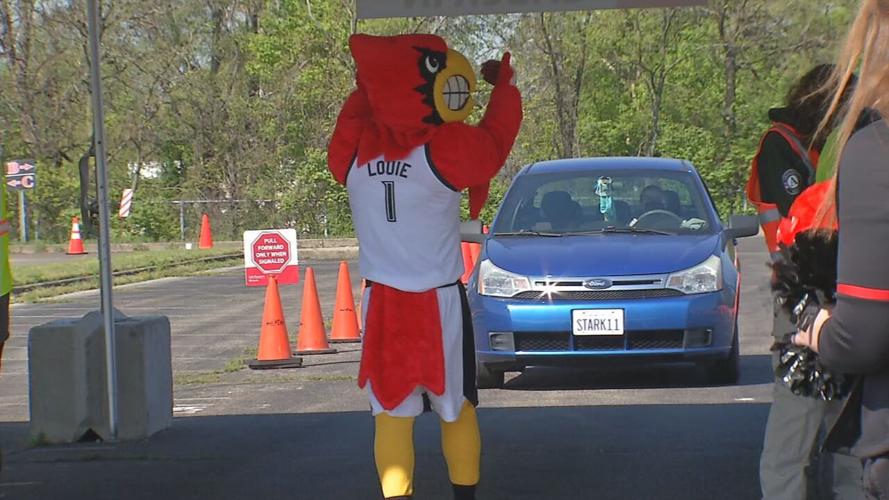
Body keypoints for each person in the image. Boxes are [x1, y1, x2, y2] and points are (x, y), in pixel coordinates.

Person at [327, 34, 522, 500]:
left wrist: (365, 88)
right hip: (437, 301)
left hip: (383, 302)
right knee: (457, 410)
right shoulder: (444, 148)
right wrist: (505, 92)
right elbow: (494, 144)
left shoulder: (351, 154)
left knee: (391, 417)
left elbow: (352, 116)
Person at [749, 65, 865, 500]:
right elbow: (806, 210)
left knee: (844, 425)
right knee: (796, 425)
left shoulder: (829, 147)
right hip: (804, 298)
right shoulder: (782, 146)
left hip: (842, 294)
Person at [792, 1, 889, 497]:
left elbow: (863, 337)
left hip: (839, 290)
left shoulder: (869, 146)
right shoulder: (789, 147)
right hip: (827, 272)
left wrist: (816, 326)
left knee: (799, 433)